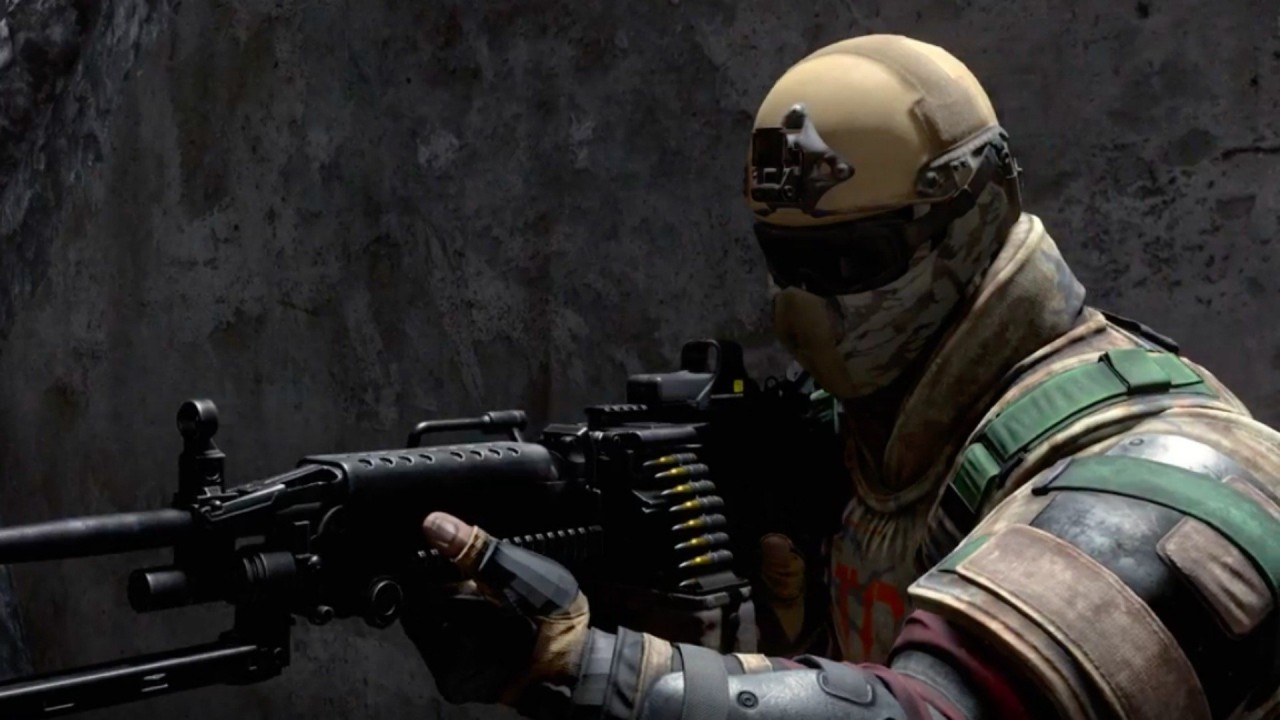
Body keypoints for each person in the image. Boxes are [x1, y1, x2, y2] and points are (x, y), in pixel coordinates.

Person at [404, 34, 1280, 719]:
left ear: (976, 222)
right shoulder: (857, 446)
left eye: (854, 260)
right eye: (788, 263)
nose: (806, 306)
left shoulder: (1169, 470)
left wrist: (584, 667)